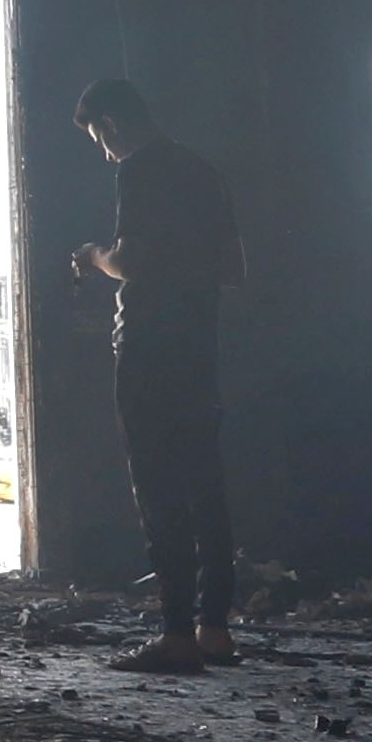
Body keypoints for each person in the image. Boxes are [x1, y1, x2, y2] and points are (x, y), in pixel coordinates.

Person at [69, 74, 242, 671]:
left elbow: (129, 259)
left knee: (158, 486)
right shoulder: (202, 171)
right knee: (205, 485)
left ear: (112, 124)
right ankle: (213, 628)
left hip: (147, 347)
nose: (102, 148)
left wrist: (93, 255)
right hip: (199, 345)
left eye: (99, 136)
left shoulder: (138, 170)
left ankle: (173, 635)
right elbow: (231, 269)